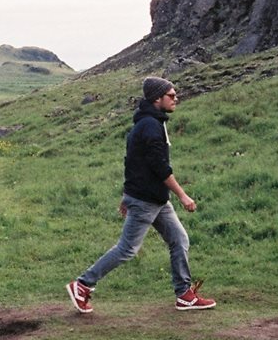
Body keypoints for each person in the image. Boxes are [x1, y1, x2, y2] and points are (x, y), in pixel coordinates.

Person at [66, 76, 216, 314]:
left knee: (179, 239)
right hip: (147, 200)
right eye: (171, 95)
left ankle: (184, 295)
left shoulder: (151, 122)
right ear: (157, 98)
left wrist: (127, 195)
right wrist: (183, 196)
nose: (176, 98)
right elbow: (159, 167)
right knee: (127, 249)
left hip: (155, 199)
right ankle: (83, 285)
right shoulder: (149, 126)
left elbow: (132, 162)